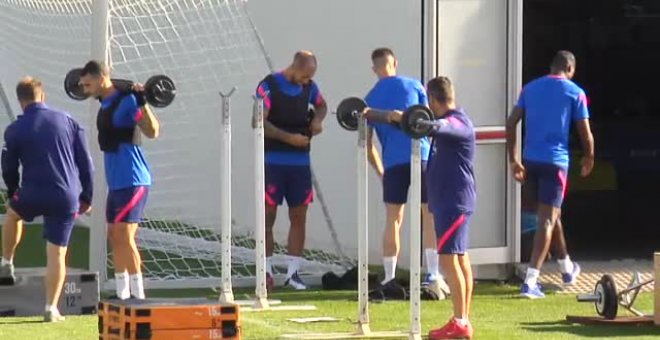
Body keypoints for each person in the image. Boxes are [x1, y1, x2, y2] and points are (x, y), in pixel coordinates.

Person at [370, 76, 476, 339]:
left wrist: (404, 118)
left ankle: (461, 322)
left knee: (450, 260)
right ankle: (461, 320)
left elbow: (439, 126)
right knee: (460, 259)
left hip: (454, 202)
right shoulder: (453, 121)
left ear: (431, 99)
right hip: (450, 201)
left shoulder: (457, 121)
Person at [0, 77, 94, 322]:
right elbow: (86, 164)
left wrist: (12, 193)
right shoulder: (69, 121)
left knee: (12, 214)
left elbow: (8, 168)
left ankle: (7, 260)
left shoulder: (15, 129)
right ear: (42, 96)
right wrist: (87, 196)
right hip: (66, 196)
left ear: (20, 102)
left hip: (32, 193)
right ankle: (51, 308)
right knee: (57, 255)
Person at [506, 50, 594, 299]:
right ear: (570, 68)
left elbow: (511, 123)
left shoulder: (530, 88)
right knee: (547, 219)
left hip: (531, 160)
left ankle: (566, 267)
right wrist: (589, 157)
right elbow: (585, 132)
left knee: (552, 214)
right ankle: (531, 281)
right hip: (556, 163)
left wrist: (514, 160)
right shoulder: (575, 92)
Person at [364, 47, 449, 296]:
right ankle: (432, 274)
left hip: (393, 164)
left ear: (375, 69)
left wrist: (382, 173)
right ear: (394, 63)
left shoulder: (370, 98)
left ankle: (389, 277)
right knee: (429, 215)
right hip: (421, 158)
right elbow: (430, 122)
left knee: (394, 219)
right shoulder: (414, 86)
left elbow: (367, 145)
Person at [79, 60, 161, 300]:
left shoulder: (128, 100)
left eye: (87, 84)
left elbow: (153, 131)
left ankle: (138, 294)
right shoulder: (106, 101)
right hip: (116, 182)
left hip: (133, 178)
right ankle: (122, 293)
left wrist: (143, 102)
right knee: (114, 236)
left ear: (101, 78)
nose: (84, 90)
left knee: (125, 236)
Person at [254, 50, 328, 290]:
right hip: (272, 162)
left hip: (300, 165)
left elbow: (322, 106)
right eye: (305, 76)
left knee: (299, 216)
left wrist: (317, 120)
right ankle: (265, 271)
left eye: (310, 77)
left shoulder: (310, 87)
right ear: (294, 68)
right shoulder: (269, 86)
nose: (308, 81)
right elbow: (258, 121)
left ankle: (293, 273)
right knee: (268, 216)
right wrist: (289, 139)